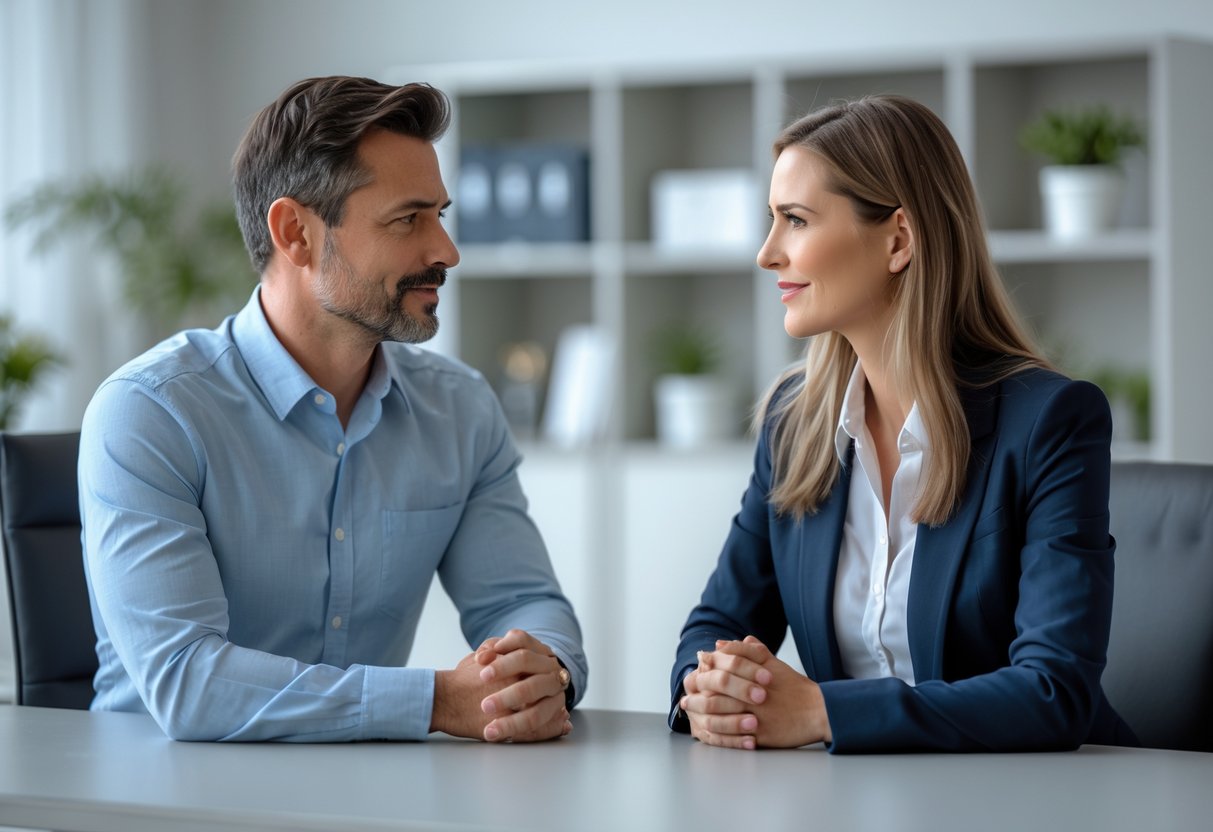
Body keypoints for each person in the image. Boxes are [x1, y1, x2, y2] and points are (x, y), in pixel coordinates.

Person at [80, 76, 585, 743]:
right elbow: (188, 680)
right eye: (408, 219)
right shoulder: (150, 413)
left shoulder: (458, 408)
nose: (446, 251)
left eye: (441, 214)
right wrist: (434, 701)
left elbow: (521, 601)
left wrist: (539, 669)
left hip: (361, 794)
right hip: (160, 803)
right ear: (296, 233)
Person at [669, 95, 1136, 753]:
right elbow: (714, 627)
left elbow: (1052, 691)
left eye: (795, 221)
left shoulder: (1049, 422)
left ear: (897, 240)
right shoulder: (792, 424)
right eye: (770, 221)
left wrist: (822, 713)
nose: (766, 253)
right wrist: (712, 690)